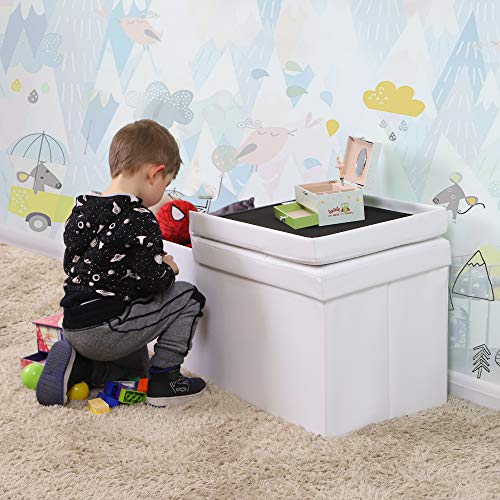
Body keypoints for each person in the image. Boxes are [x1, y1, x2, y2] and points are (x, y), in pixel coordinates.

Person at [36, 119, 206, 407]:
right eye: (165, 184)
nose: (163, 193)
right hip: (106, 329)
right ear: (154, 174)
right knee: (188, 297)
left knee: (135, 370)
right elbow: (154, 283)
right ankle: (165, 378)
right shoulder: (140, 219)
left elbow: (77, 265)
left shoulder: (83, 208)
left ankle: (81, 368)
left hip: (74, 324)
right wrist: (168, 268)